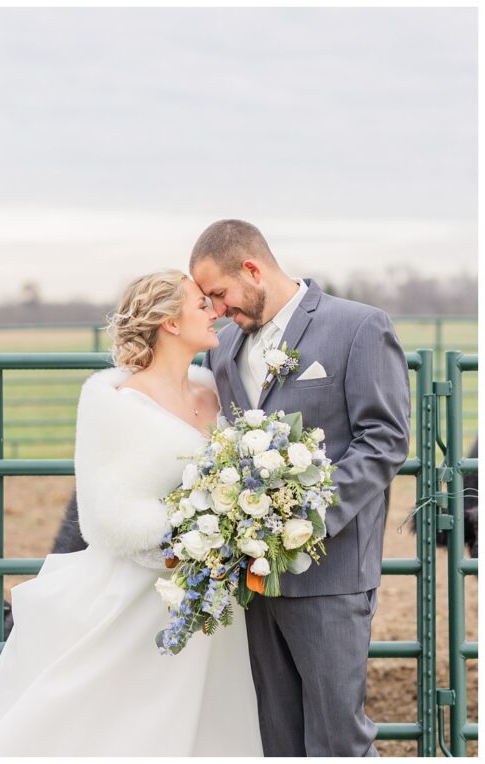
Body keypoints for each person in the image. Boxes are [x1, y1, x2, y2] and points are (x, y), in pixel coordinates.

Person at [0, 271, 263, 757]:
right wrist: (190, 542)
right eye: (201, 305)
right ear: (170, 323)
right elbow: (105, 514)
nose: (214, 311)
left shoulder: (216, 390)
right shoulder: (118, 403)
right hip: (145, 590)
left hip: (213, 597)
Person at [191, 219, 411, 757]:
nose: (217, 310)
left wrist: (303, 518)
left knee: (338, 737)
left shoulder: (358, 327)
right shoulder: (221, 351)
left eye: (219, 294)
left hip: (330, 571)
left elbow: (384, 439)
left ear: (252, 269)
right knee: (277, 735)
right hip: (255, 581)